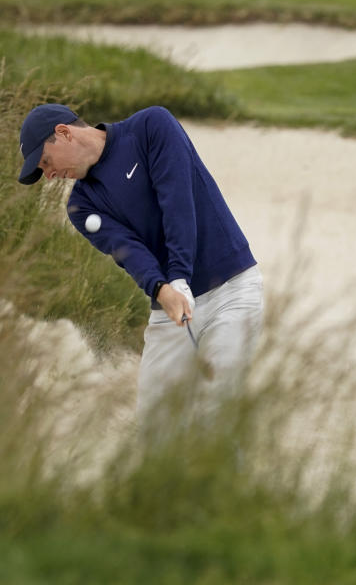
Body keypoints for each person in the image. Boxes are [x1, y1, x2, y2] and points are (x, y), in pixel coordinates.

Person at [17, 103, 263, 438]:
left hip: (231, 290)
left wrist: (179, 275)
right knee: (154, 428)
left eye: (45, 162)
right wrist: (164, 289)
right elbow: (130, 252)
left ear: (63, 133)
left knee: (214, 414)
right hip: (168, 308)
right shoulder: (80, 206)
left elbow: (176, 201)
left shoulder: (150, 127)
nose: (49, 174)